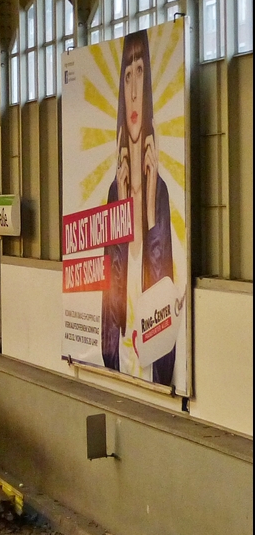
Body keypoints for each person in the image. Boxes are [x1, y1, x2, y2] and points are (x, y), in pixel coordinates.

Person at [101, 30, 175, 386]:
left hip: (151, 369)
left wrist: (146, 213)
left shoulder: (161, 194)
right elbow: (112, 308)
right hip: (122, 366)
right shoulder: (112, 193)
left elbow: (160, 296)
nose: (133, 91)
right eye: (127, 76)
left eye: (140, 72)